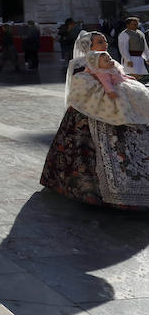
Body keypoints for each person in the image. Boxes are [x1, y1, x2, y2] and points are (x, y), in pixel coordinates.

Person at [41, 31, 149, 209]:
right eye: (100, 41)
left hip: (119, 106)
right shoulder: (79, 64)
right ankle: (94, 191)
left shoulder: (107, 59)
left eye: (105, 40)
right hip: (91, 109)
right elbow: (81, 85)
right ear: (88, 47)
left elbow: (117, 75)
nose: (105, 44)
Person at [66, 50, 149, 125]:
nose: (110, 61)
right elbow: (106, 83)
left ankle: (141, 111)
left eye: (110, 58)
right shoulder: (102, 72)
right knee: (125, 101)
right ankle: (127, 116)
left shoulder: (112, 68)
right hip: (118, 86)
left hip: (124, 83)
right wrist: (110, 91)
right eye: (106, 61)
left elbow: (121, 75)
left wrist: (128, 78)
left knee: (139, 95)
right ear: (97, 65)